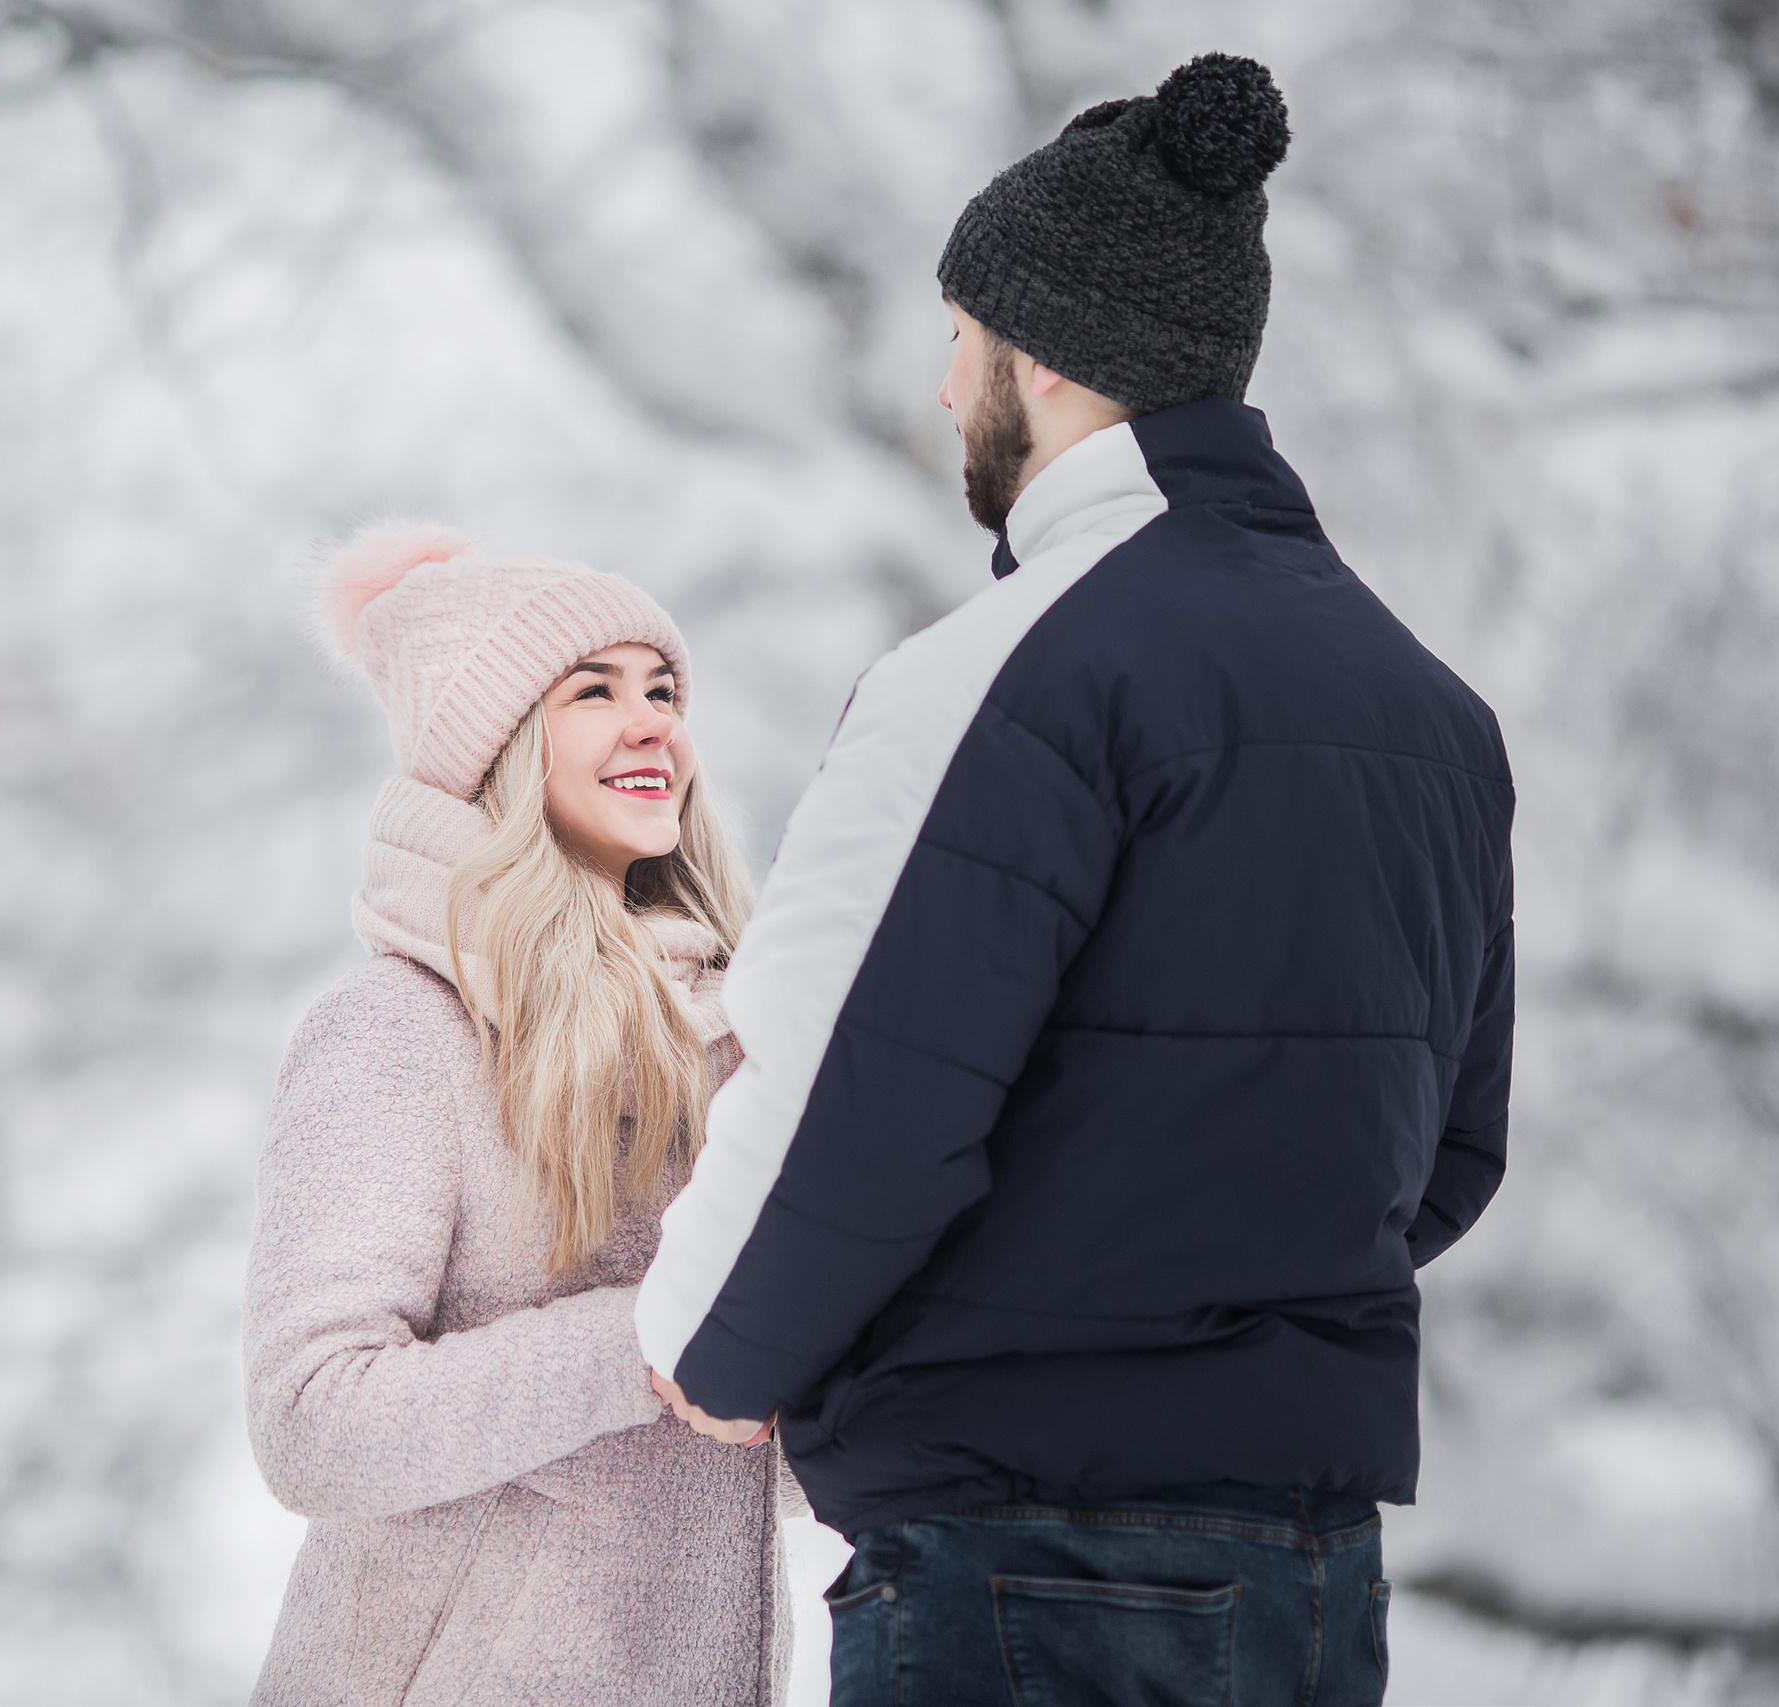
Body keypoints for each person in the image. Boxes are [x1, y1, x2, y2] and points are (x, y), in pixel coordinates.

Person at [638, 53, 1515, 1706]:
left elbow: (856, 1094)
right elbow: (1443, 1158)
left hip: (1027, 1569)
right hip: (1312, 1585)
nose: (943, 384)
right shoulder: (1429, 713)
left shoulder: (1008, 676)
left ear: (1032, 357)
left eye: (955, 340)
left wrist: (714, 1343)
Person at [244, 525, 797, 1705]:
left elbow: (754, 1437)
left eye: (661, 689)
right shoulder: (400, 1033)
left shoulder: (739, 1027)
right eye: (593, 693)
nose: (653, 721)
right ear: (490, 752)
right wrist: (649, 1342)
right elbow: (314, 1421)